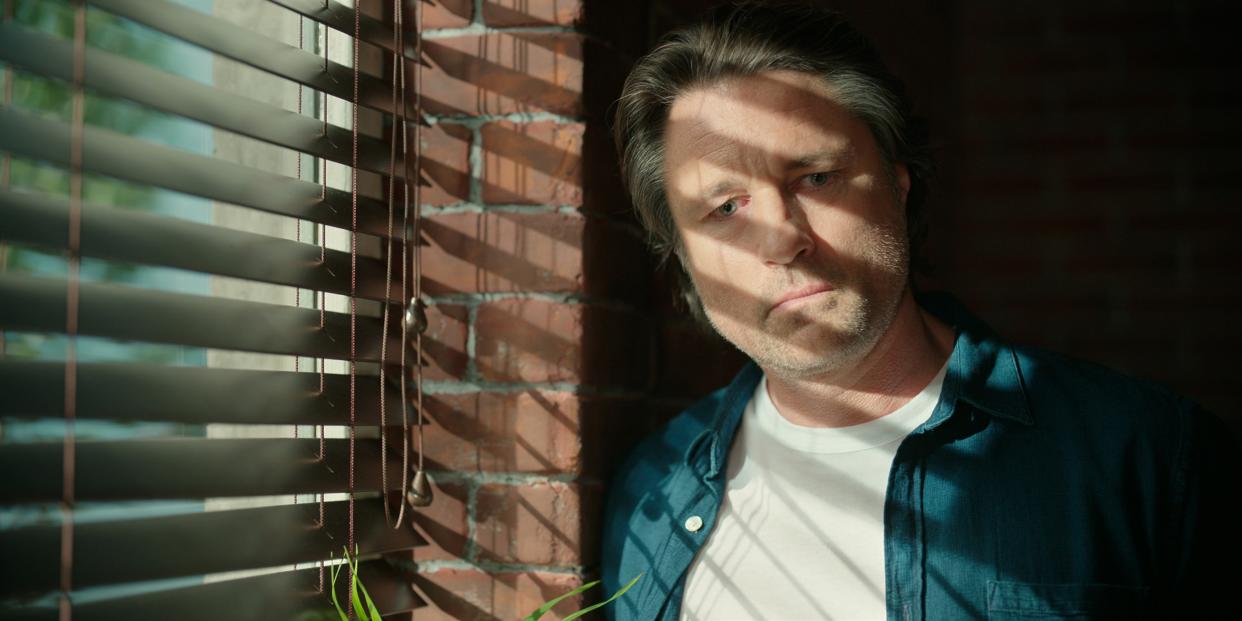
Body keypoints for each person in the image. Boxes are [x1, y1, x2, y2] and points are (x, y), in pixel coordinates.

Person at [600, 2, 1240, 620]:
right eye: (725, 209)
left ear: (897, 184)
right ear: (683, 256)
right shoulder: (652, 490)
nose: (782, 238)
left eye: (815, 177)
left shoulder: (1147, 458)